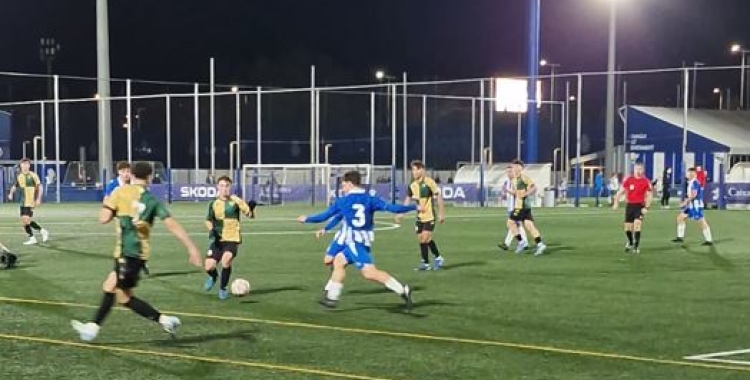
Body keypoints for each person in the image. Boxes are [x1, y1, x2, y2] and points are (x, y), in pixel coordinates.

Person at [71, 161, 202, 342]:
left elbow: (103, 219)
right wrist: (192, 248)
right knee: (110, 286)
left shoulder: (119, 192)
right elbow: (172, 225)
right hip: (139, 255)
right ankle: (93, 327)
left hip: (127, 253)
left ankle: (163, 320)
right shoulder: (152, 200)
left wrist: (110, 205)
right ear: (149, 177)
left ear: (131, 175)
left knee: (123, 297)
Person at [298, 170, 419, 310]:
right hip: (362, 241)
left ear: (350, 183)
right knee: (338, 261)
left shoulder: (343, 201)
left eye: (343, 185)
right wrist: (413, 207)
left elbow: (324, 216)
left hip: (355, 242)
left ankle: (403, 290)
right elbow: (392, 208)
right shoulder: (370, 198)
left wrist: (306, 219)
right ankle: (331, 297)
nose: (342, 188)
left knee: (369, 273)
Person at [203, 176, 255, 300]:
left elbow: (250, 215)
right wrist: (211, 230)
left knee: (226, 260)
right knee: (208, 266)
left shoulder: (236, 200)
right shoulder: (213, 203)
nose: (224, 188)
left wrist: (251, 209)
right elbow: (208, 220)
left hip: (232, 238)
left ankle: (223, 288)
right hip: (218, 239)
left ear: (230, 187)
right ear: (217, 187)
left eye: (227, 186)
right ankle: (214, 276)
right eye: (221, 185)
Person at [395, 160, 446, 271]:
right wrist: (401, 213)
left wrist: (441, 214)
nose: (413, 172)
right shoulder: (412, 185)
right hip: (419, 217)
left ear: (421, 170)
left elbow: (438, 197)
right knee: (422, 240)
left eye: (415, 169)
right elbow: (408, 200)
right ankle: (427, 263)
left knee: (425, 237)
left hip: (429, 216)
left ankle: (438, 258)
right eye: (412, 170)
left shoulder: (429, 182)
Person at [507, 159, 546, 256]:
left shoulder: (524, 178)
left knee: (510, 222)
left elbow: (534, 187)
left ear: (521, 168)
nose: (514, 168)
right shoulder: (514, 180)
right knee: (529, 226)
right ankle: (540, 244)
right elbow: (517, 193)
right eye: (513, 166)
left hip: (522, 206)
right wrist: (510, 192)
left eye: (516, 166)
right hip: (523, 206)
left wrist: (526, 193)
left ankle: (521, 242)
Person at [612, 163, 653, 254]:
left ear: (643, 170)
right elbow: (620, 192)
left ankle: (636, 246)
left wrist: (646, 207)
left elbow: (650, 195)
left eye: (640, 169)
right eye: (637, 169)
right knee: (627, 228)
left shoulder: (646, 181)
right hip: (630, 206)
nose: (638, 171)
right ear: (634, 170)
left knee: (637, 225)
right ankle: (630, 241)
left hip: (640, 206)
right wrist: (616, 202)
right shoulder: (629, 180)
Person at [7, 158, 49, 245]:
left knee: (26, 220)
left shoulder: (33, 175)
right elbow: (14, 186)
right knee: (24, 221)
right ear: (21, 165)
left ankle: (42, 231)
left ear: (29, 165)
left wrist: (38, 198)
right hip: (23, 202)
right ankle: (32, 238)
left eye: (26, 164)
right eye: (23, 164)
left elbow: (40, 187)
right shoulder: (19, 176)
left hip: (30, 202)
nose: (25, 166)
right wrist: (11, 193)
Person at [672, 168, 713, 246]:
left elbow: (694, 195)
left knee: (701, 222)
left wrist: (685, 202)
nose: (687, 175)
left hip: (696, 206)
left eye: (688, 173)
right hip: (691, 205)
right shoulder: (691, 182)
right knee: (680, 218)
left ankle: (709, 240)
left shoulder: (695, 182)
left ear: (692, 174)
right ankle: (680, 237)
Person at [498, 165, 528, 251]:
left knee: (513, 224)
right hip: (510, 207)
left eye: (510, 171)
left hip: (517, 206)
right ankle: (524, 243)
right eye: (507, 172)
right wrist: (503, 195)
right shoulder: (507, 182)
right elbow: (505, 193)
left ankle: (507, 244)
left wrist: (507, 191)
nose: (508, 173)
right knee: (516, 225)